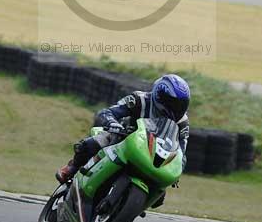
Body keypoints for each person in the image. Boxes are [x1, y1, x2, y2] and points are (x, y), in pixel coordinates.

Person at [56, 73, 190, 184]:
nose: (177, 109)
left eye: (181, 105)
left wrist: (177, 170)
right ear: (159, 96)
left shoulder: (182, 122)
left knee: (162, 191)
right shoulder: (139, 99)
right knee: (95, 142)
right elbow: (107, 112)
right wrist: (113, 124)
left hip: (153, 153)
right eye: (173, 103)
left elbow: (182, 153)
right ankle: (71, 168)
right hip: (122, 138)